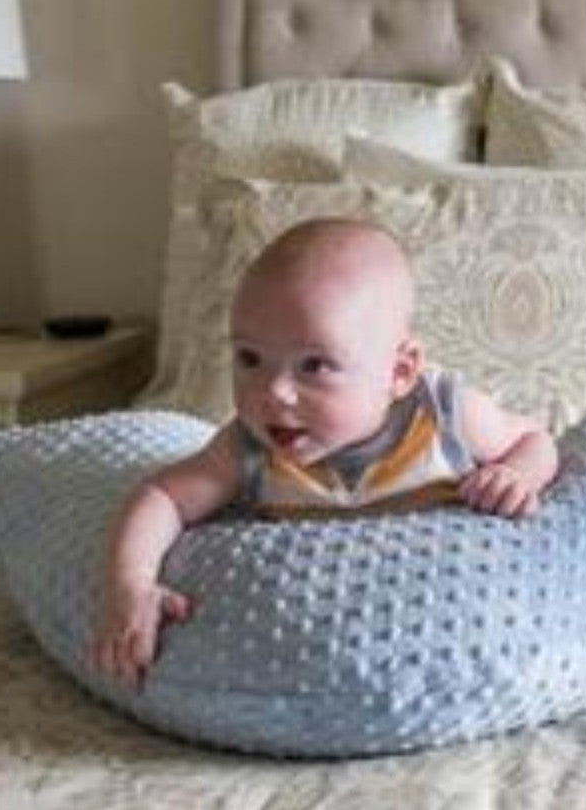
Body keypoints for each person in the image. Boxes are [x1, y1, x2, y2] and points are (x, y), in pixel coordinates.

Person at [91, 217, 558, 687]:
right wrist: (130, 585)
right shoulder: (249, 447)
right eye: (250, 358)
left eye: (314, 366)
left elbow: (535, 440)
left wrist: (518, 474)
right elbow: (163, 497)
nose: (274, 392)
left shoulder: (445, 415)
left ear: (400, 370)